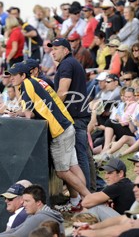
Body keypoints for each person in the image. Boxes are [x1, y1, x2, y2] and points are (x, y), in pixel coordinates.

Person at [6, 62, 90, 203]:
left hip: (59, 130)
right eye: (10, 75)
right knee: (73, 166)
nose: (11, 78)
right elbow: (32, 111)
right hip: (66, 125)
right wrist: (17, 113)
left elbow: (29, 115)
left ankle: (88, 198)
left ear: (23, 75)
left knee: (62, 171)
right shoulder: (37, 81)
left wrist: (18, 114)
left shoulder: (26, 84)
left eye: (14, 75)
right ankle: (80, 201)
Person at [49, 38, 93, 197]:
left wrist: (52, 111)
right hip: (78, 115)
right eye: (51, 49)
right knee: (84, 155)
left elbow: (62, 92)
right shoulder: (71, 63)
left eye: (56, 48)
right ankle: (91, 191)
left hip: (74, 117)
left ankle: (86, 196)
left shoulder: (67, 64)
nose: (52, 51)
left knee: (79, 158)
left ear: (66, 50)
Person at [0, 184, 65, 237]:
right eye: (24, 201)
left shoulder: (40, 217)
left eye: (27, 201)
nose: (24, 204)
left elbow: (17, 235)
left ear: (38, 202)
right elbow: (14, 230)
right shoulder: (39, 214)